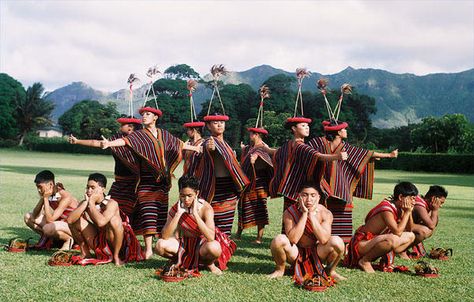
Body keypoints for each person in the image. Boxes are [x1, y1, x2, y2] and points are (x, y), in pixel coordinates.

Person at [101, 106, 200, 259]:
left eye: (148, 114)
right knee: (148, 213)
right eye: (143, 114)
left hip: (162, 182)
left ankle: (157, 244)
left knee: (160, 213)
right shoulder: (139, 135)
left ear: (155, 117)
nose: (144, 116)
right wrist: (110, 144)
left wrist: (194, 148)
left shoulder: (164, 134)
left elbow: (178, 145)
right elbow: (125, 141)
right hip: (146, 181)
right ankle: (148, 249)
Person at [308, 121, 398, 243]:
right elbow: (309, 154)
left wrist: (388, 155)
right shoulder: (320, 145)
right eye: (344, 129)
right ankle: (323, 240)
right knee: (323, 215)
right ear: (338, 132)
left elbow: (366, 154)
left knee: (341, 215)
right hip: (323, 189)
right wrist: (390, 155)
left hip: (340, 188)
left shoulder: (346, 148)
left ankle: (343, 243)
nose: (346, 131)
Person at [268, 118, 347, 225]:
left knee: (290, 217)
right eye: (303, 126)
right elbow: (318, 156)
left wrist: (267, 149)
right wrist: (336, 156)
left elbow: (276, 152)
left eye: (307, 126)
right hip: (300, 190)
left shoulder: (288, 145)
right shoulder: (301, 146)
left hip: (289, 189)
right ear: (294, 128)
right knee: (302, 218)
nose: (307, 128)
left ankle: (289, 238)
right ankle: (302, 239)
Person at [155, 175, 236, 275]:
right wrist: (178, 214)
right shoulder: (177, 208)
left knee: (214, 247)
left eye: (189, 195)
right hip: (184, 245)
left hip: (202, 245)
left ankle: (210, 264)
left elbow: (211, 237)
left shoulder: (206, 208)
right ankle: (179, 259)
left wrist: (195, 214)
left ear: (197, 193)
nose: (186, 199)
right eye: (182, 195)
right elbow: (165, 236)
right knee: (160, 245)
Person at [268, 182, 346, 283]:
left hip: (318, 252)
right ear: (299, 197)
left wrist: (311, 215)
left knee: (337, 242)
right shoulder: (289, 212)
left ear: (318, 198)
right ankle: (280, 270)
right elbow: (293, 239)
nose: (309, 199)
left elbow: (324, 239)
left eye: (313, 195)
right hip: (295, 253)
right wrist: (305, 214)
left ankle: (331, 271)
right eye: (305, 195)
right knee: (279, 240)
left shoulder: (325, 213)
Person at [68, 116, 142, 219]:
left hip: (135, 183)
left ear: (130, 127)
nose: (120, 126)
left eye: (123, 125)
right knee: (108, 204)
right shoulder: (117, 138)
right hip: (119, 181)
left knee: (132, 210)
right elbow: (97, 142)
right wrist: (77, 141)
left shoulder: (141, 140)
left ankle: (127, 231)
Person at [67, 173, 144, 266]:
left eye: (92, 187)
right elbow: (70, 221)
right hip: (100, 239)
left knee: (114, 221)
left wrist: (91, 203)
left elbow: (101, 222)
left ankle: (116, 256)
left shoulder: (111, 203)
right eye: (87, 187)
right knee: (76, 221)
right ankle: (85, 253)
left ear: (102, 189)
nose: (89, 190)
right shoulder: (86, 203)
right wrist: (85, 204)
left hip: (117, 242)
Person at [344, 181, 417, 273]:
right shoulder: (387, 209)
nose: (414, 202)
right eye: (412, 199)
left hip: (376, 241)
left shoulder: (400, 208)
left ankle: (385, 251)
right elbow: (398, 232)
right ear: (400, 197)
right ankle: (365, 261)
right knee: (392, 239)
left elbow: (410, 229)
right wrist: (407, 213)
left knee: (411, 236)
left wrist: (409, 212)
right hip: (362, 243)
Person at [195, 114, 250, 235]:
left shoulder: (225, 144)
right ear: (208, 126)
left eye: (221, 122)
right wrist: (210, 148)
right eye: (215, 123)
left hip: (229, 188)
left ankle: (223, 248)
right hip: (215, 187)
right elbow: (209, 148)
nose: (219, 124)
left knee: (226, 223)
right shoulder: (210, 142)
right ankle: (213, 248)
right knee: (213, 221)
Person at [24, 170, 78, 250]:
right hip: (61, 224)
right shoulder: (50, 194)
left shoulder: (65, 196)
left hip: (75, 229)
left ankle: (69, 240)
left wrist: (45, 198)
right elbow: (34, 216)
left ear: (51, 184)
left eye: (40, 187)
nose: (38, 190)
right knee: (28, 217)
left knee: (48, 228)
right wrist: (43, 198)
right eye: (37, 187)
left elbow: (50, 221)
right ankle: (51, 239)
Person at [236, 127, 273, 243]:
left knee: (260, 208)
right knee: (242, 206)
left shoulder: (262, 147)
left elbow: (259, 154)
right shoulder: (249, 148)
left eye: (251, 134)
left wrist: (255, 157)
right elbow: (248, 153)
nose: (249, 135)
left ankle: (259, 238)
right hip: (248, 182)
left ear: (256, 135)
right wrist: (244, 150)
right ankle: (238, 233)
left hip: (260, 183)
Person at [402, 185, 448, 258]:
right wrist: (435, 210)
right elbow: (432, 225)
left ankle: (403, 248)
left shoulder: (425, 204)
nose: (441, 206)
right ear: (433, 198)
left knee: (428, 230)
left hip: (404, 227)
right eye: (441, 202)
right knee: (424, 231)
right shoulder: (419, 205)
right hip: (395, 227)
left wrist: (433, 210)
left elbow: (435, 222)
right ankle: (402, 250)